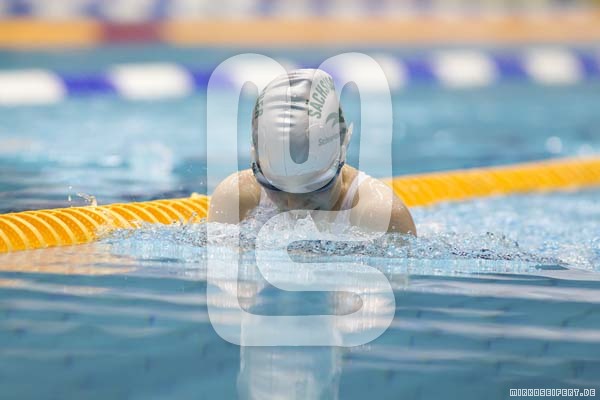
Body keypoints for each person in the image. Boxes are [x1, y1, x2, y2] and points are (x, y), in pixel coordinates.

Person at [208, 69, 416, 235]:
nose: (294, 205)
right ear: (256, 162)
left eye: (314, 187)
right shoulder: (237, 198)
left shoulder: (381, 216)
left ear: (341, 156)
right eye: (276, 186)